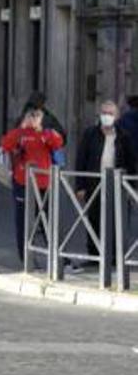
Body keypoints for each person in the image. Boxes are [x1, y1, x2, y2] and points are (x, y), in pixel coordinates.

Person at [73, 99, 136, 276]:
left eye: (110, 113)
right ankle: (94, 256)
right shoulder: (90, 134)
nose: (106, 117)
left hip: (117, 186)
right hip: (94, 184)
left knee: (118, 221)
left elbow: (131, 163)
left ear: (116, 117)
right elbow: (81, 160)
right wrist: (80, 186)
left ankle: (116, 257)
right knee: (93, 220)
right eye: (104, 113)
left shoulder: (124, 136)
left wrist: (131, 187)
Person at [0, 107, 64, 262]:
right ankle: (26, 257)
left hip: (44, 183)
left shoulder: (47, 133)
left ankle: (55, 256)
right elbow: (5, 144)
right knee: (23, 221)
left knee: (47, 220)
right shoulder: (20, 133)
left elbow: (57, 143)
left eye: (37, 116)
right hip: (23, 182)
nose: (34, 119)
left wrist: (43, 131)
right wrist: (22, 128)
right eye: (32, 116)